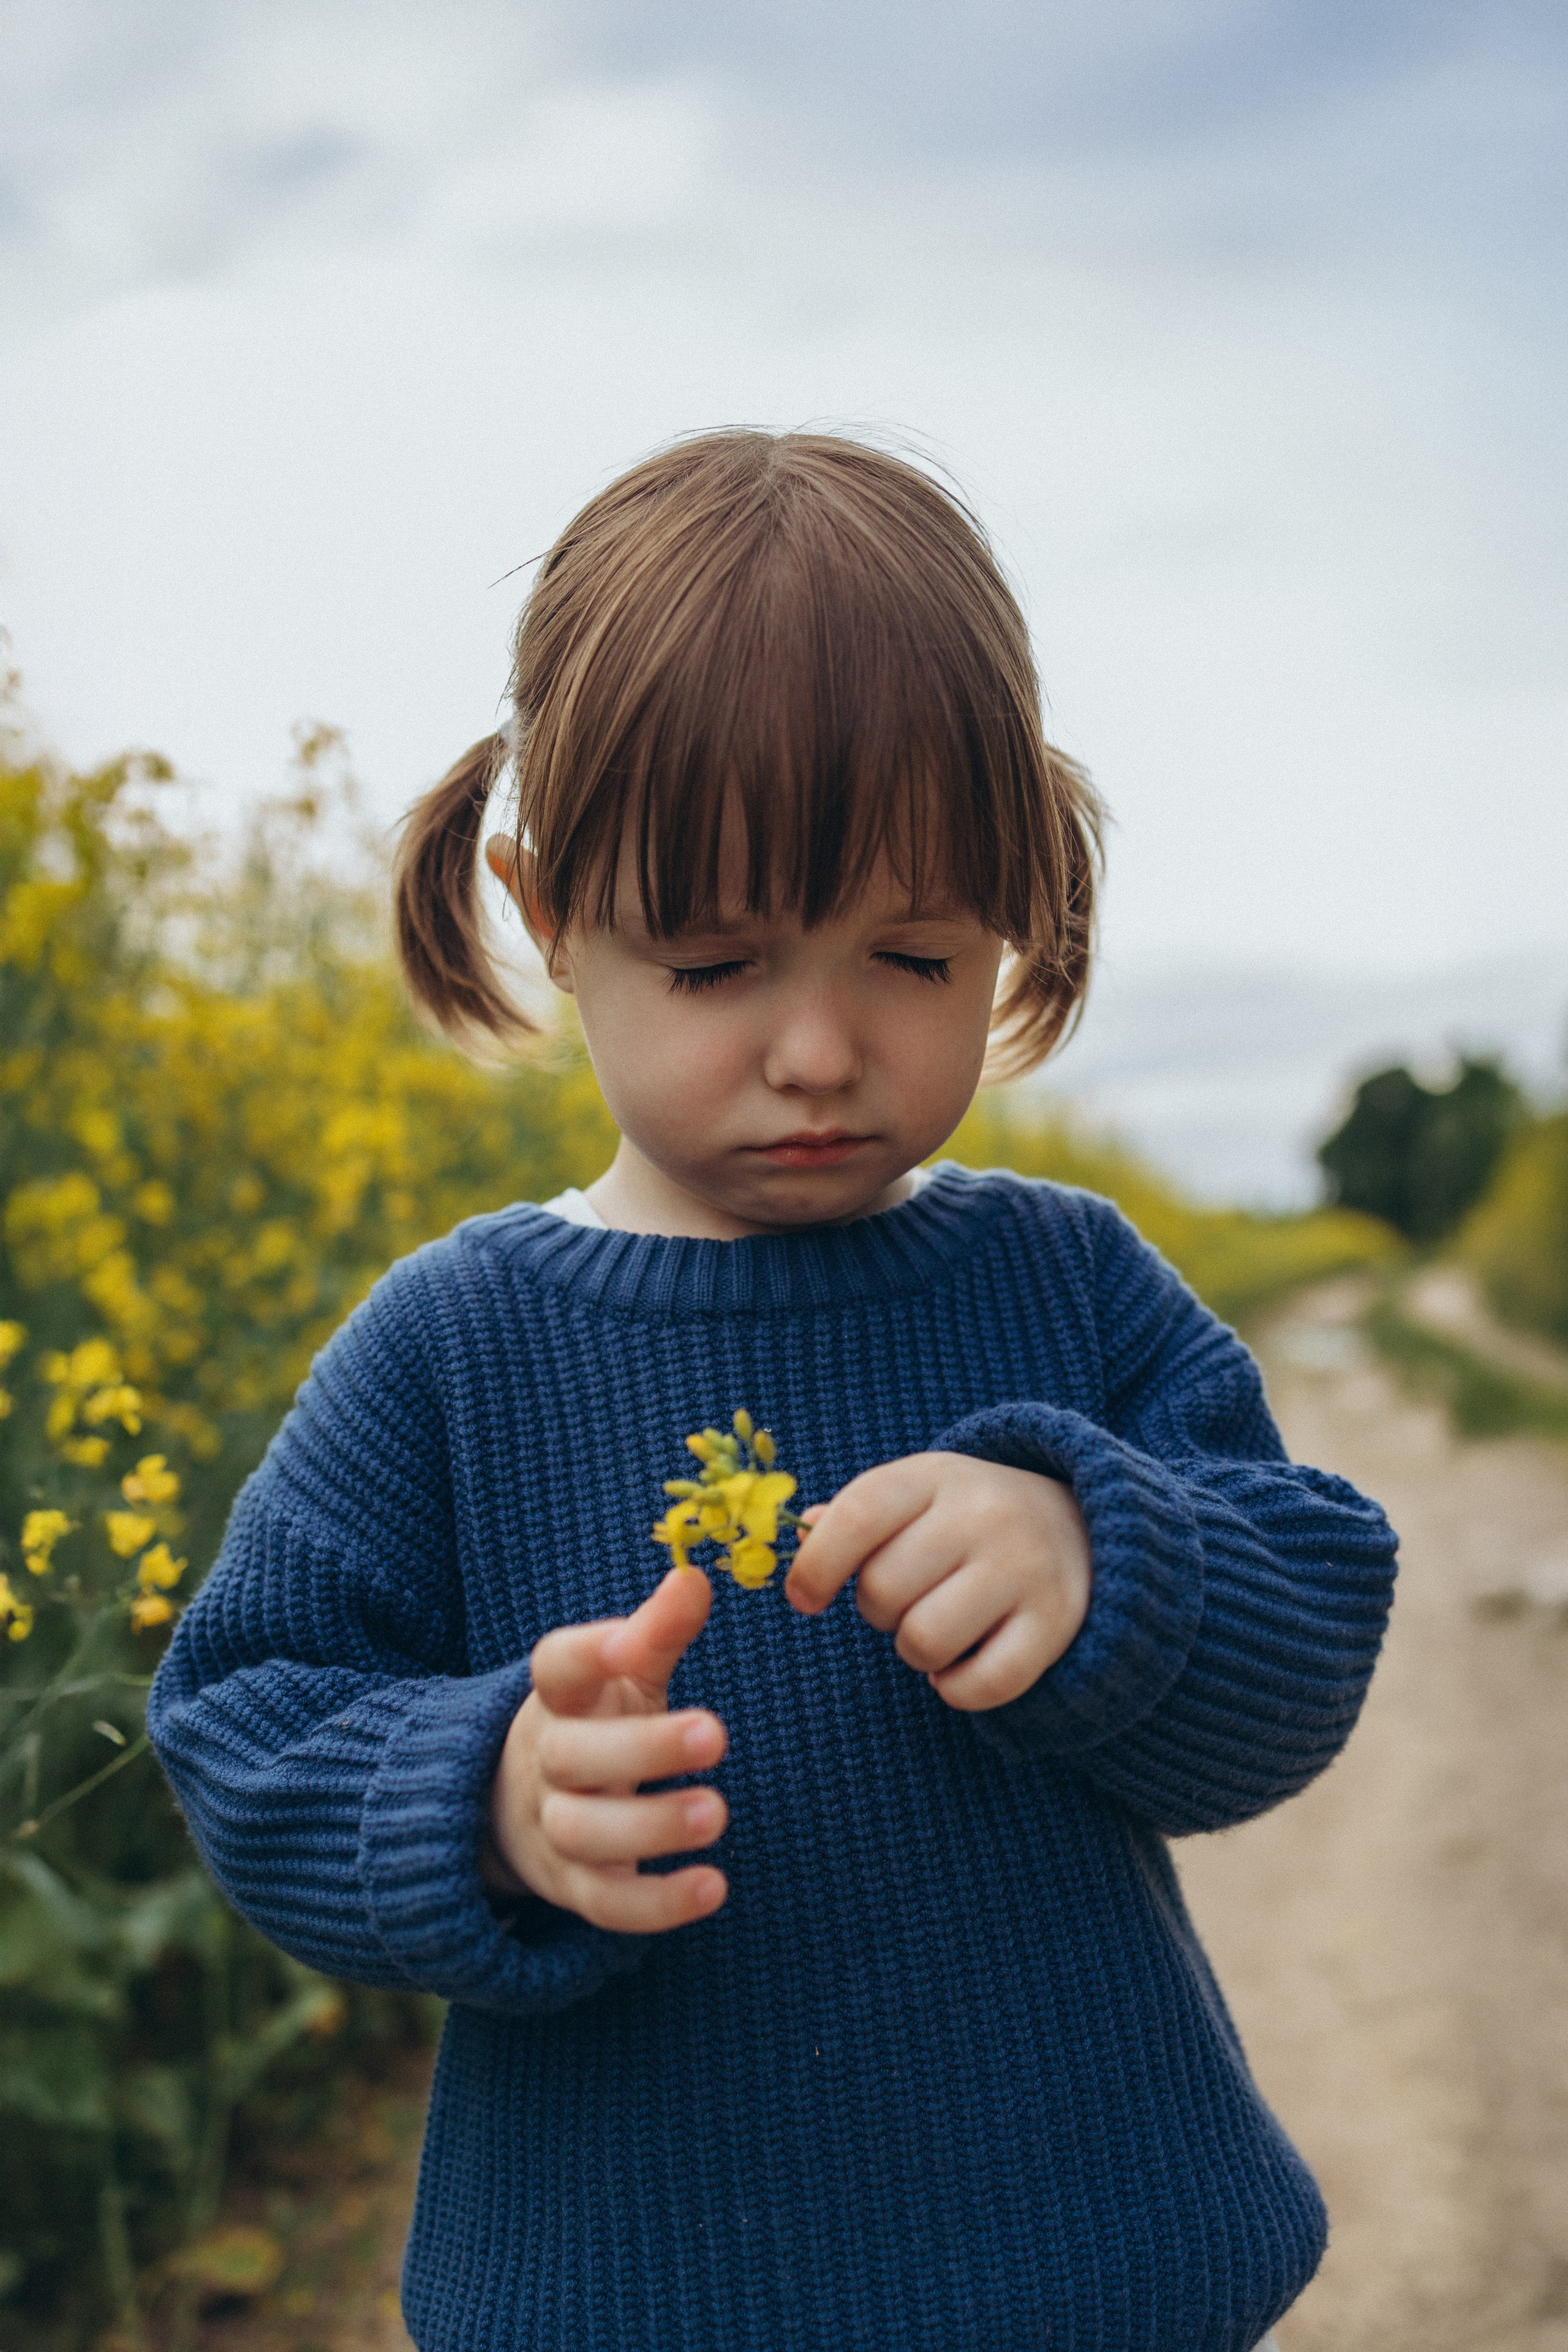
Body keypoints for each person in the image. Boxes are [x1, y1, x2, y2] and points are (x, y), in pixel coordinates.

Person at [148, 430, 1395, 2352]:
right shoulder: (454, 1346)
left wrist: (1110, 1564)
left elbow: (1306, 1627)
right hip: (631, 2296)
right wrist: (488, 1798)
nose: (820, 1047)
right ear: (551, 914)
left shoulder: (1065, 1283)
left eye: (912, 954)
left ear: (1023, 906)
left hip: (1101, 2272)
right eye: (717, 962)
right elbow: (245, 1723)